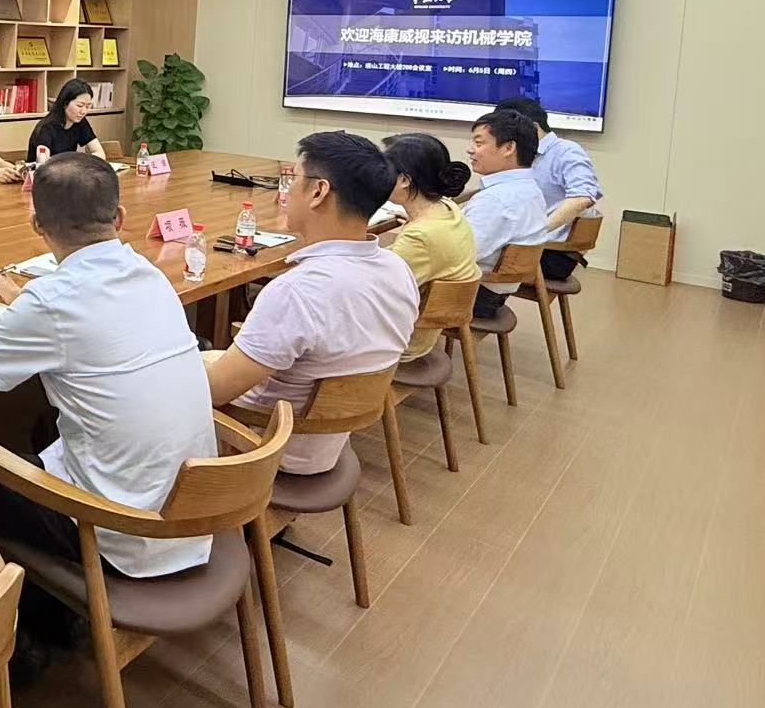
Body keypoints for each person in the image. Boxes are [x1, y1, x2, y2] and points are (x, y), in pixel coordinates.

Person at [0, 152, 216, 579]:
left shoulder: (52, 301)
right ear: (120, 217)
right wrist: (19, 299)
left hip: (118, 531)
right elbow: (81, 319)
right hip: (192, 513)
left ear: (37, 224)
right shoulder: (147, 273)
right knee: (43, 425)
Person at [205, 132, 419, 475]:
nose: (287, 190)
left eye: (293, 179)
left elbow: (215, 392)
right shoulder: (397, 268)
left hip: (265, 446)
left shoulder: (297, 292)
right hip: (328, 440)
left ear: (319, 192)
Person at [380, 133, 480, 359]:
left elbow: (377, 294)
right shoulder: (447, 208)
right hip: (423, 329)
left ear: (404, 180)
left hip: (399, 340)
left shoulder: (420, 236)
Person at [493, 96, 603, 279]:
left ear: (533, 128)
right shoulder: (521, 153)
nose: (501, 139)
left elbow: (583, 197)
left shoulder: (566, 151)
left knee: (464, 259)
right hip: (521, 244)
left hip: (549, 252)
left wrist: (536, 232)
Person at [461, 110, 549, 318]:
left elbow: (457, 255)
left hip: (471, 296)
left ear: (509, 148)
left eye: (478, 143)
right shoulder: (530, 190)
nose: (470, 150)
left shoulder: (496, 200)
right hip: (493, 294)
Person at [25, 78, 107, 163]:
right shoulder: (47, 127)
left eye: (88, 106)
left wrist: (79, 161)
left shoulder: (80, 122)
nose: (84, 111)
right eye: (79, 105)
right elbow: (43, 162)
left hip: (68, 169)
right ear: (65, 103)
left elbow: (100, 153)